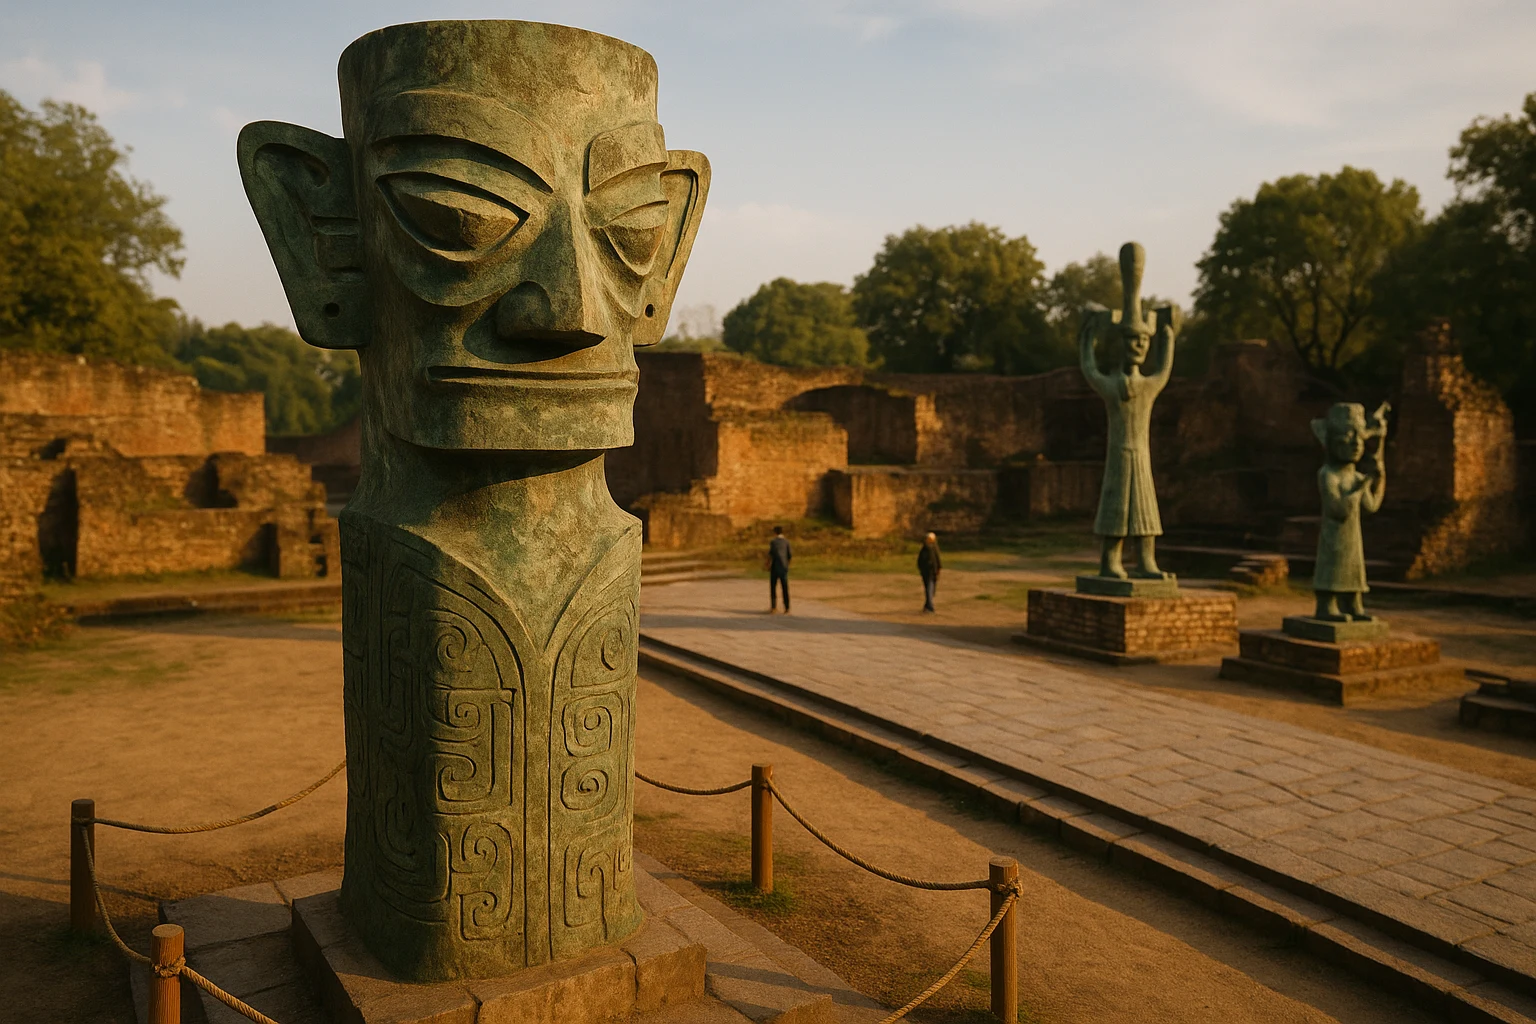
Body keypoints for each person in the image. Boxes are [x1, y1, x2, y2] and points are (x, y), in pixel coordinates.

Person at [767, 525, 791, 613]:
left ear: (775, 532)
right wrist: (787, 566)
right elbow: (789, 556)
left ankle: (773, 607)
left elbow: (771, 555)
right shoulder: (786, 542)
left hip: (775, 567)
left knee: (773, 587)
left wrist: (767, 565)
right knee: (785, 588)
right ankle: (787, 608)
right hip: (784, 568)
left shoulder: (773, 542)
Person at [917, 532, 941, 612]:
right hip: (929, 572)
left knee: (930, 589)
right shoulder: (927, 549)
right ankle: (930, 606)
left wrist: (938, 569)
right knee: (929, 588)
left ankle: (927, 605)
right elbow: (920, 561)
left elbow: (937, 560)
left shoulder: (930, 548)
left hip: (930, 572)